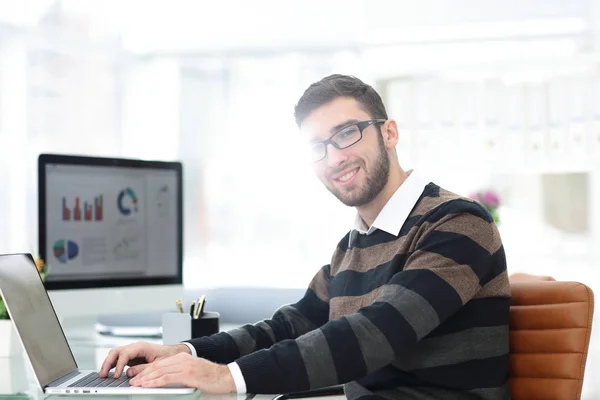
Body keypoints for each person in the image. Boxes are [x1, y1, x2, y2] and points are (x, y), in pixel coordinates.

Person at [100, 74, 511, 399]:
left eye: (347, 133)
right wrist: (188, 352)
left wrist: (229, 377)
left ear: (389, 133)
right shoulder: (352, 246)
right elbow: (289, 326)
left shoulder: (457, 224)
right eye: (318, 146)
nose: (334, 157)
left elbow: (375, 333)